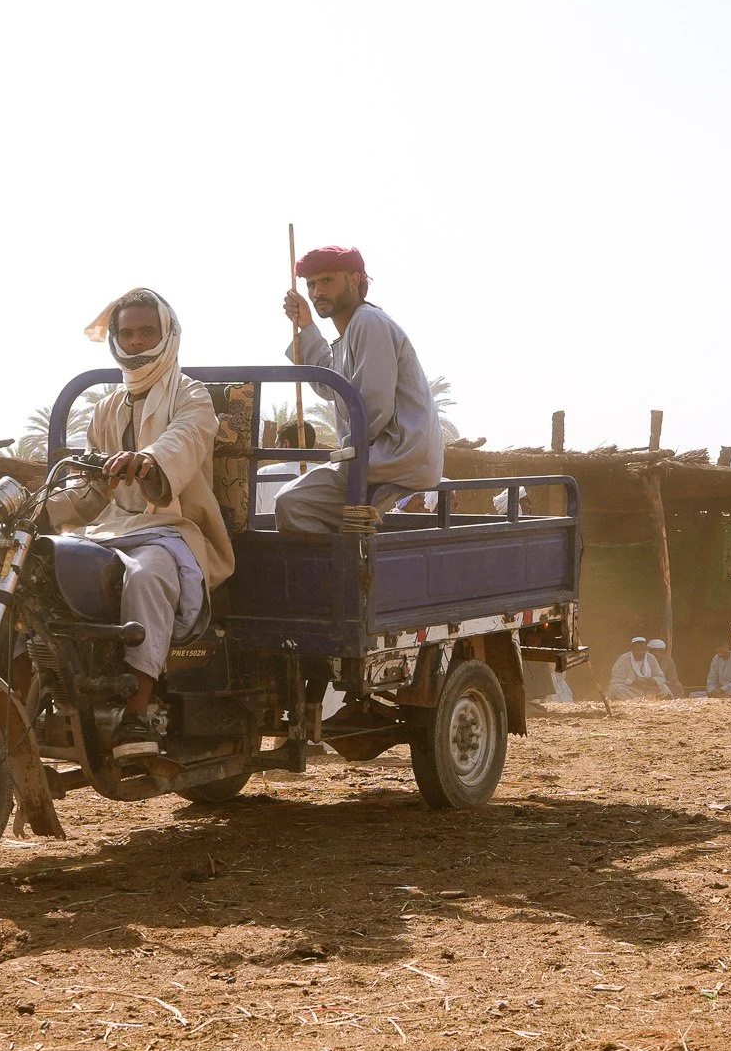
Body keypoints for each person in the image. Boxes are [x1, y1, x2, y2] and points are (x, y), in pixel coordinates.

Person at [50, 289, 237, 758]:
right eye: (127, 333)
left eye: (146, 332)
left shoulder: (192, 396)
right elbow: (90, 490)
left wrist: (148, 461)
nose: (136, 342)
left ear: (167, 334)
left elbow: (184, 442)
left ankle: (136, 712)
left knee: (148, 574)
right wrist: (38, 509)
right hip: (109, 530)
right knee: (41, 569)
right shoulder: (105, 407)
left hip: (172, 529)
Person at [276, 246, 443, 532]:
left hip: (397, 454)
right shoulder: (353, 329)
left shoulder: (368, 322)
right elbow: (331, 385)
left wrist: (346, 456)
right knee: (293, 501)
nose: (316, 292)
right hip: (380, 455)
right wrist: (306, 325)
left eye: (327, 281)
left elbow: (372, 410)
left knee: (294, 502)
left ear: (355, 280)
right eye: (311, 284)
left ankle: (345, 570)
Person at [255, 420, 317, 517]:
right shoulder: (324, 472)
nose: (276, 448)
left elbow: (256, 513)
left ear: (286, 444)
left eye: (277, 444)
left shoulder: (264, 472)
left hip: (270, 530)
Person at [607, 637, 672, 700]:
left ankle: (645, 698)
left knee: (664, 688)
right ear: (632, 649)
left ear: (646, 650)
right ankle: (646, 698)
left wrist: (653, 680)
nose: (640, 652)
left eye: (642, 650)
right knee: (615, 688)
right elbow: (615, 680)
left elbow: (661, 677)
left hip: (648, 689)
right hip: (631, 689)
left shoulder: (651, 658)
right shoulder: (624, 659)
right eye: (637, 649)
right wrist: (633, 682)